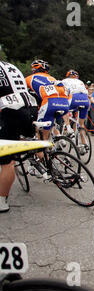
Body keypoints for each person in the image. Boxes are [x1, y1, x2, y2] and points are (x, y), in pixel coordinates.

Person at [0, 61, 38, 212]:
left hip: (11, 109)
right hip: (29, 105)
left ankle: (1, 201)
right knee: (15, 142)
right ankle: (37, 158)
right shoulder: (8, 65)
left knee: (6, 161)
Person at [25, 59, 69, 141]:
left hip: (49, 103)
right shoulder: (52, 78)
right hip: (65, 104)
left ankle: (44, 150)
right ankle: (58, 137)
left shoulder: (30, 78)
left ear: (34, 69)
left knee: (40, 134)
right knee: (49, 124)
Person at [61, 70, 90, 136]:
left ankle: (68, 128)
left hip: (74, 97)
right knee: (81, 124)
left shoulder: (64, 80)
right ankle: (84, 143)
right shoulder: (80, 81)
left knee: (64, 109)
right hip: (85, 99)